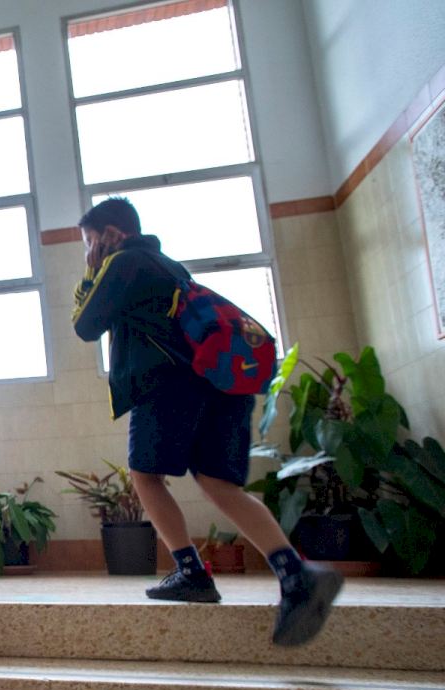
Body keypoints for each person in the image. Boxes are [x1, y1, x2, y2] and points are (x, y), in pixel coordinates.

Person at [71, 197, 342, 647]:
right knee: (219, 483)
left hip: (169, 384)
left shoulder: (122, 263)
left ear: (111, 235)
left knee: (144, 476)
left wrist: (89, 272)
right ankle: (295, 574)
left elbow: (84, 325)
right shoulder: (169, 265)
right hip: (220, 383)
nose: (88, 250)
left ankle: (191, 572)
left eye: (89, 241)